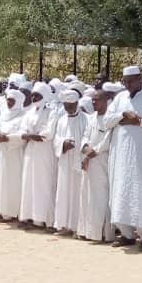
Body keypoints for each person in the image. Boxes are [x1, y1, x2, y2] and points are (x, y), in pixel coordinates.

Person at [104, 65, 142, 250]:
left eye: (131, 81)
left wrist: (138, 121)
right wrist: (123, 115)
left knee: (140, 191)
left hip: (141, 155)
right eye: (125, 81)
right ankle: (127, 234)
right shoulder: (119, 98)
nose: (128, 84)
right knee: (120, 191)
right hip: (120, 153)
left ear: (139, 79)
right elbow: (106, 121)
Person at [19, 81, 57, 228]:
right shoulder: (29, 112)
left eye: (37, 95)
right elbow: (23, 129)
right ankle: (33, 218)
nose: (34, 98)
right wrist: (29, 135)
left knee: (43, 184)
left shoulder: (51, 111)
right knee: (29, 183)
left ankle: (45, 219)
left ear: (45, 95)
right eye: (33, 95)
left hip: (44, 151)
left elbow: (49, 132)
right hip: (31, 150)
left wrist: (34, 135)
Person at [77, 89, 112, 242]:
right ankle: (89, 232)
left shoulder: (110, 119)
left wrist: (93, 152)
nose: (93, 102)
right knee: (88, 196)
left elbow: (107, 140)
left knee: (102, 197)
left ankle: (104, 233)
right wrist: (85, 148)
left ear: (106, 101)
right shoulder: (91, 118)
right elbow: (85, 135)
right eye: (92, 99)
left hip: (102, 162)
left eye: (97, 99)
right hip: (89, 161)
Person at [0, 90, 27, 220]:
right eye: (8, 100)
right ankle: (1, 211)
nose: (9, 103)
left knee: (13, 182)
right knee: (1, 180)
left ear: (19, 101)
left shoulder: (23, 115)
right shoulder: (4, 114)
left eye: (12, 100)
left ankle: (13, 212)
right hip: (2, 152)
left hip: (14, 153)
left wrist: (8, 138)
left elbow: (23, 135)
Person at [53, 90, 88, 235]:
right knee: (63, 191)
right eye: (65, 104)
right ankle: (64, 225)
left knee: (77, 193)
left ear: (76, 103)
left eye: (69, 104)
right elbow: (56, 139)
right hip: (65, 160)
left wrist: (77, 145)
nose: (66, 107)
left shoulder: (86, 119)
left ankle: (77, 227)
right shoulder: (61, 120)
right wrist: (63, 144)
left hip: (78, 161)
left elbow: (88, 137)